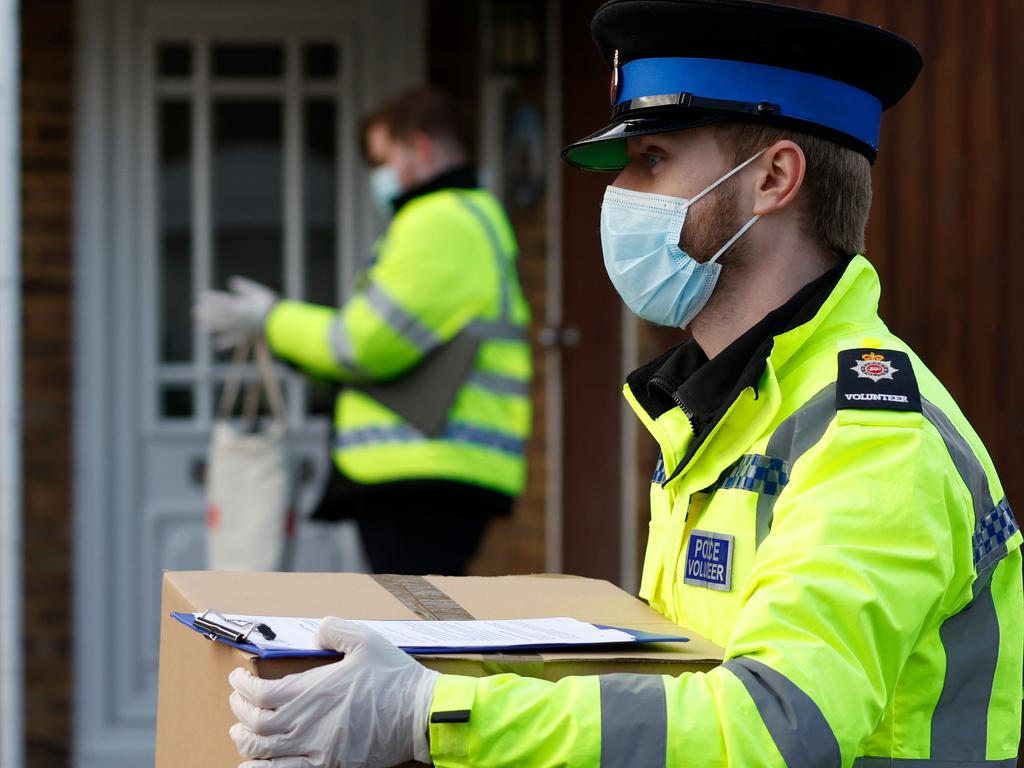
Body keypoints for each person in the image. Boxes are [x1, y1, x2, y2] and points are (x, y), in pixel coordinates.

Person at [224, 1, 1024, 766]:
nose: (616, 196)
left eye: (650, 161)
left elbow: (776, 729)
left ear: (773, 180)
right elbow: (678, 698)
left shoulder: (870, 435)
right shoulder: (722, 410)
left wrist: (429, 714)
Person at [196, 87, 533, 576]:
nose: (376, 176)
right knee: (418, 635)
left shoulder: (439, 220)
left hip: (422, 472)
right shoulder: (466, 217)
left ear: (419, 149)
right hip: (436, 468)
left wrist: (272, 319)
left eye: (380, 158)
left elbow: (362, 346)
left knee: (410, 639)